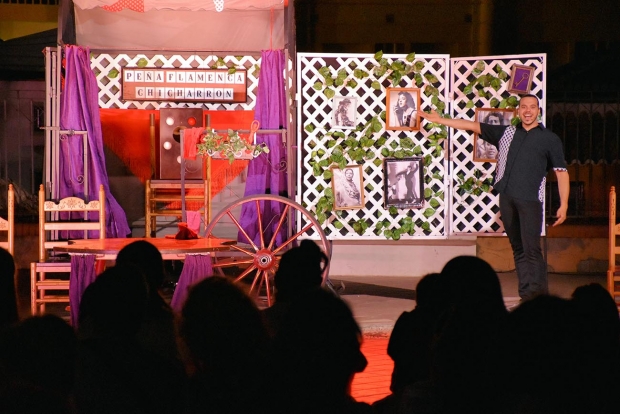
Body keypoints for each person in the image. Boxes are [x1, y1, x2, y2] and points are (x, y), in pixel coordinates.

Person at [420, 94, 570, 302]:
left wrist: (564, 204)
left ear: (538, 111)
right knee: (518, 249)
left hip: (530, 201)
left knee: (532, 250)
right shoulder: (507, 133)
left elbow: (561, 172)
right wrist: (439, 120)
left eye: (532, 107)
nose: (528, 111)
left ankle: (539, 299)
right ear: (518, 111)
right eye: (524, 107)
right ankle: (526, 295)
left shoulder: (549, 139)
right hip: (507, 198)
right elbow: (472, 126)